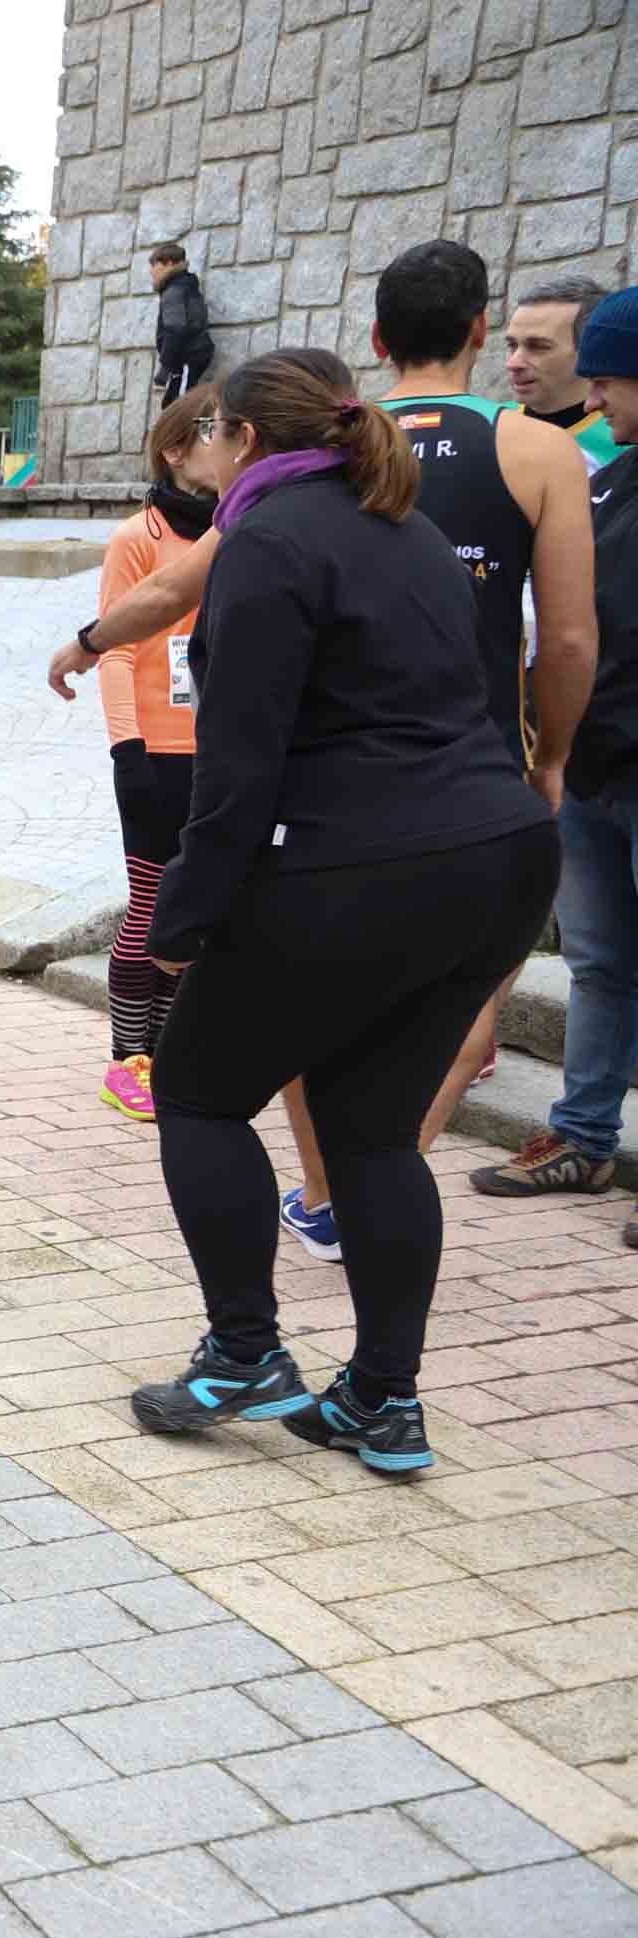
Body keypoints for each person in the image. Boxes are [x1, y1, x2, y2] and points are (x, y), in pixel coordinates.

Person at [127, 348, 558, 1476]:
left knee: (198, 1088)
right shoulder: (406, 531)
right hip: (496, 855)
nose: (201, 454)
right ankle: (383, 1395)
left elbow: (240, 765)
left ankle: (246, 1350)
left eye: (211, 431)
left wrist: (182, 919)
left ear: (249, 442)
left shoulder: (266, 543)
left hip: (362, 861)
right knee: (371, 1129)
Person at [272, 241, 592, 1234]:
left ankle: (326, 1190)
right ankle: (379, 1183)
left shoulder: (327, 438)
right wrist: (550, 755)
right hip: (478, 767)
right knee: (462, 1002)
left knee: (315, 999)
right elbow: (572, 634)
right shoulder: (541, 450)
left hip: (335, 771)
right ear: (479, 333)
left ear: (375, 337)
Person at [479, 286, 638, 1236]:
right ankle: (582, 1138)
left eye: (616, 379)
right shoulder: (606, 479)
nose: (605, 396)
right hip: (589, 766)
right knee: (597, 963)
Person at [91, 386, 225, 1123]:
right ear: (177, 449)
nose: (232, 439)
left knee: (196, 909)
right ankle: (127, 1058)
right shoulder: (135, 539)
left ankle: (171, 1051)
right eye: (216, 429)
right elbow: (113, 647)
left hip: (220, 753)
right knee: (148, 906)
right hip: (154, 754)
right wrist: (126, 749)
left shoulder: (237, 531)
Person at [506, 274, 624, 473]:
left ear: (592, 351)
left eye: (537, 347)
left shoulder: (624, 438)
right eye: (512, 345)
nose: (513, 363)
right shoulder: (484, 426)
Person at [148, 242, 217, 407]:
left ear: (169, 263)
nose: (152, 272)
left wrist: (165, 366)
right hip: (186, 358)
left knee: (181, 407)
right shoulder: (186, 286)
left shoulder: (174, 291)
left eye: (154, 266)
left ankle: (189, 433)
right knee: (171, 404)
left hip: (187, 357)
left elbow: (176, 329)